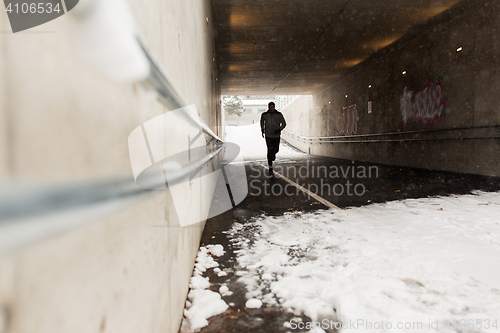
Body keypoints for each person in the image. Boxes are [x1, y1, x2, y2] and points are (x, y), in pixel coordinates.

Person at [260, 102, 286, 173]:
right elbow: (262, 122)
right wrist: (262, 130)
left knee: (276, 149)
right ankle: (270, 167)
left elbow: (284, 123)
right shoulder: (265, 115)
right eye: (270, 107)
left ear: (274, 107)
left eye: (273, 107)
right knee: (269, 150)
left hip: (276, 136)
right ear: (268, 107)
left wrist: (279, 129)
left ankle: (273, 154)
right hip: (268, 136)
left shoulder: (278, 115)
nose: (271, 109)